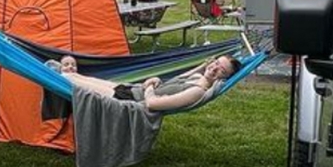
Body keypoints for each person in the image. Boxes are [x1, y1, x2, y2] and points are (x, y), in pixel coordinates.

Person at [52, 55, 242, 113]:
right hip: (131, 89)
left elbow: (152, 104)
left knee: (71, 80)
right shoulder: (199, 78)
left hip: (128, 100)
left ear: (222, 79)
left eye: (221, 70)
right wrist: (202, 65)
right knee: (83, 78)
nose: (214, 68)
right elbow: (179, 79)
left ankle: (49, 72)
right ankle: (55, 69)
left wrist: (150, 85)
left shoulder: (197, 92)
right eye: (216, 62)